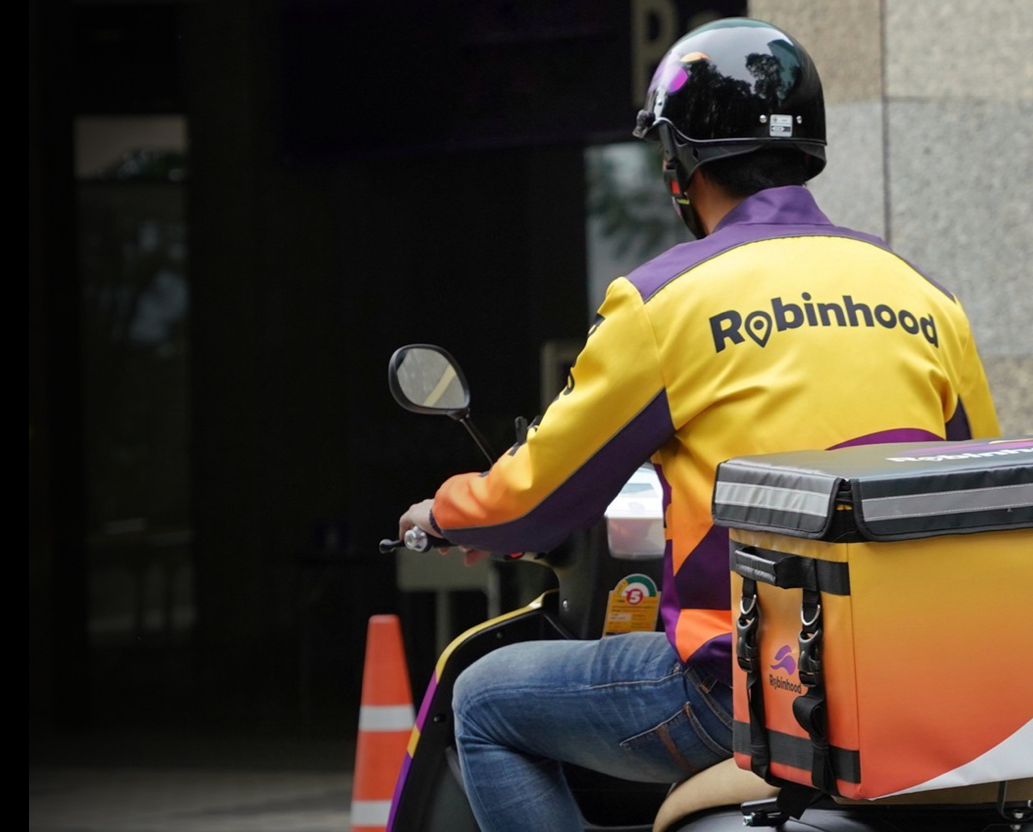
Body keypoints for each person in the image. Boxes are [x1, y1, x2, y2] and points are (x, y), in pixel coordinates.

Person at [397, 17, 1000, 832]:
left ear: (682, 168)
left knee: (484, 700)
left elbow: (540, 494)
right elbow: (983, 483)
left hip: (753, 688)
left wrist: (447, 512)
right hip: (913, 681)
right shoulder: (924, 295)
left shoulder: (664, 301)